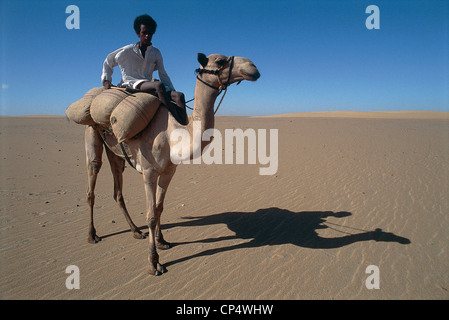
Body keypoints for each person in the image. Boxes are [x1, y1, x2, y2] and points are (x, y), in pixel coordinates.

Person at [101, 14, 186, 121]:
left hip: (148, 84)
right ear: (138, 33)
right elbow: (108, 61)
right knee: (158, 85)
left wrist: (171, 91)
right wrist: (106, 80)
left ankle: (184, 124)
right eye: (144, 33)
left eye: (150, 33)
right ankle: (174, 120)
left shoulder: (155, 53)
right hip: (131, 84)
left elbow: (163, 74)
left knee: (179, 96)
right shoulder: (127, 50)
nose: (147, 36)